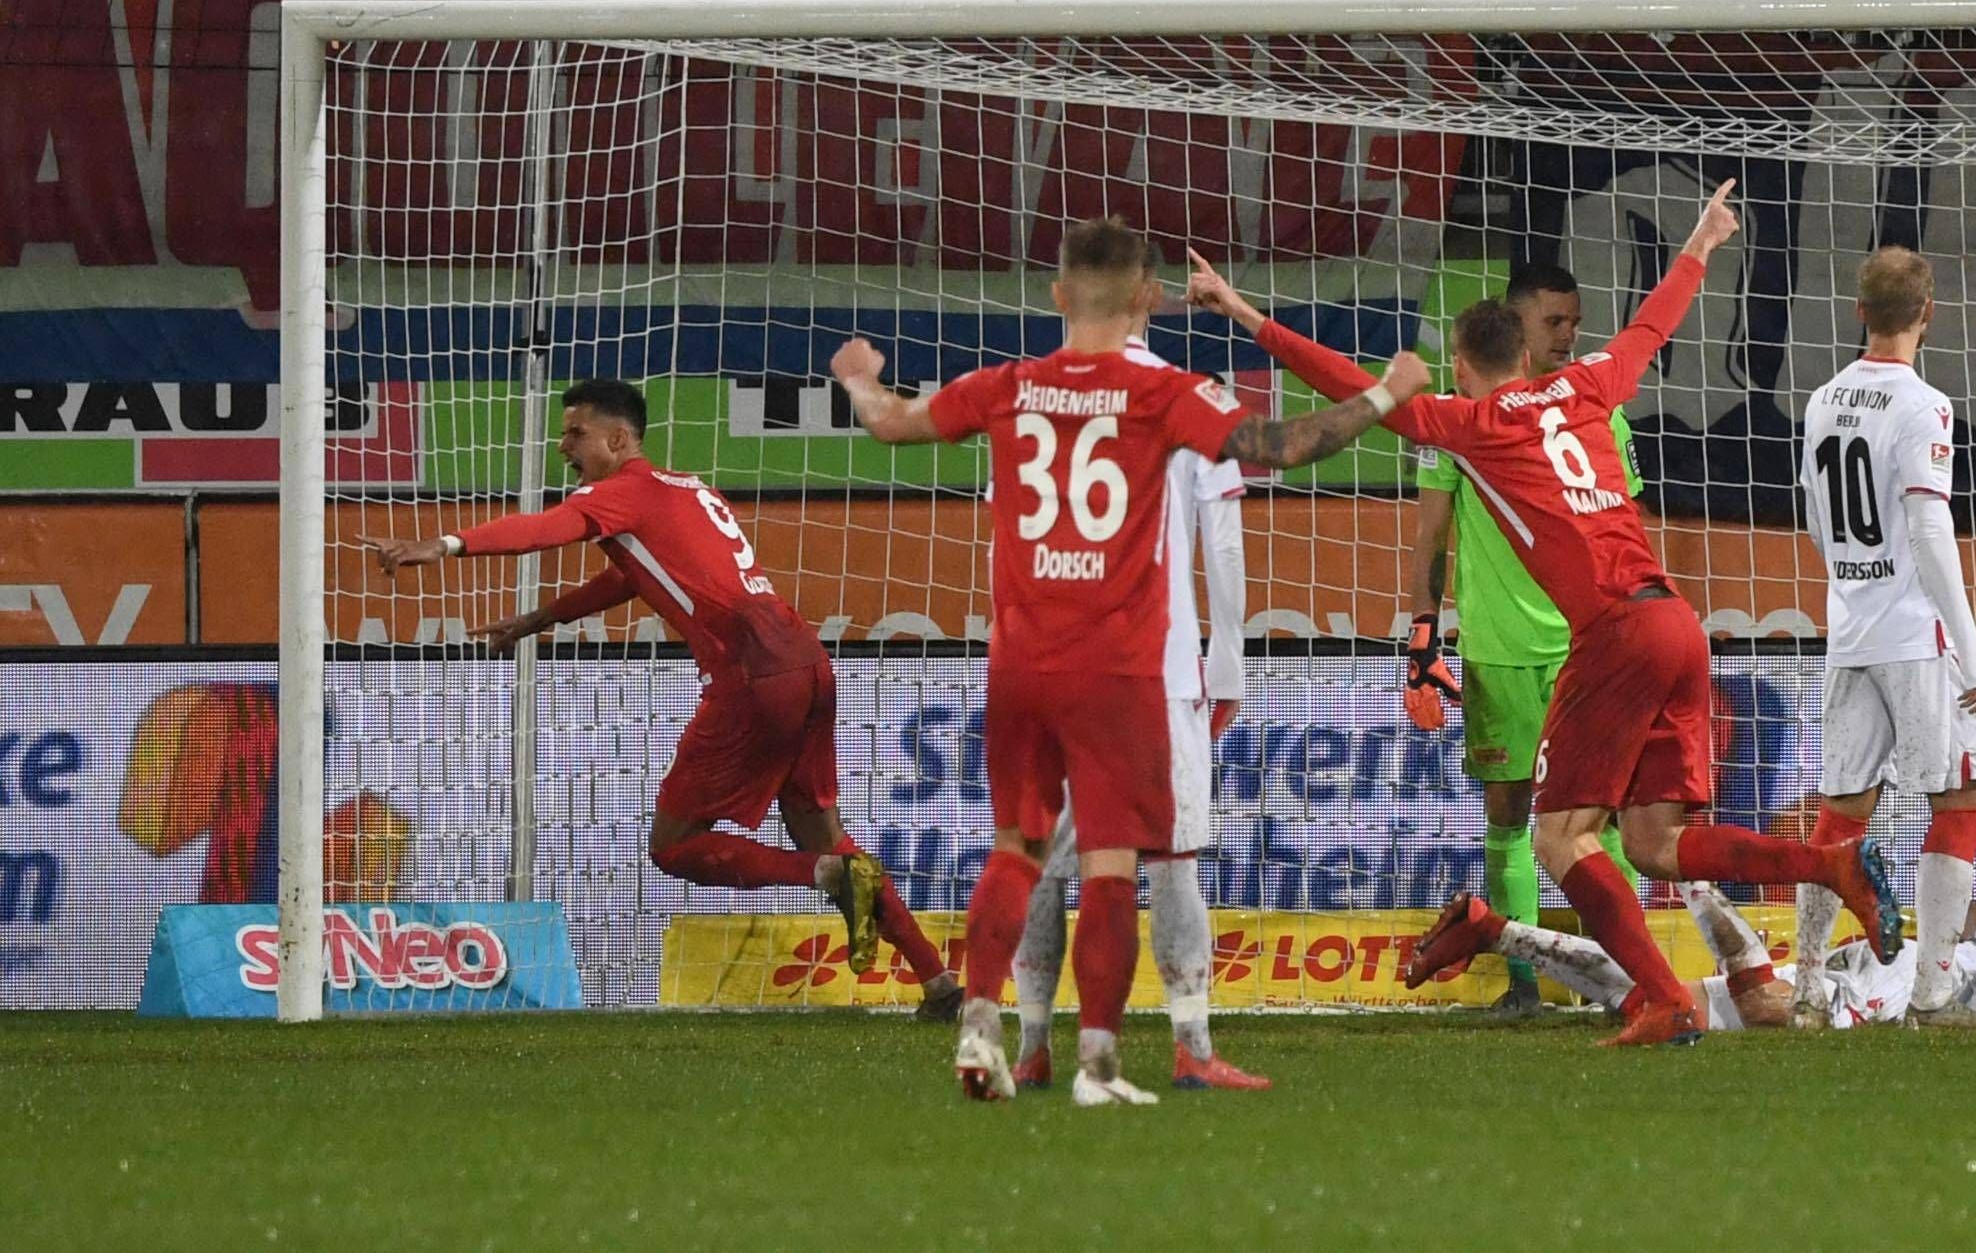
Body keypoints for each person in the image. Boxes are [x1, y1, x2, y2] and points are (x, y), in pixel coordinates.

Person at [1192, 179, 1901, 1048]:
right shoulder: (1588, 385)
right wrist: (1701, 244)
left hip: (1612, 636)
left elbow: (1347, 383)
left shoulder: (1472, 423)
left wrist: (1242, 313)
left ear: (1463, 365)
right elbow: (1649, 328)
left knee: (1560, 838)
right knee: (1654, 843)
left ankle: (1663, 1000)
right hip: (1675, 623)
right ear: (1525, 352)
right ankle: (1829, 864)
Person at [832, 218, 1427, 1103]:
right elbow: (1280, 448)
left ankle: (992, 1027)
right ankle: (1107, 1065)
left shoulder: (1006, 387)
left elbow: (889, 422)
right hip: (1122, 667)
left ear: (1056, 294)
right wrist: (1386, 392)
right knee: (1128, 860)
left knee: (1019, 851)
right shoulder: (1164, 394)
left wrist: (857, 376)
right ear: (1150, 297)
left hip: (1020, 662)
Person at [367, 378, 960, 1017]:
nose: (565, 448)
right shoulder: (685, 488)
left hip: (750, 673)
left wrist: (446, 545)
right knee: (823, 832)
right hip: (806, 663)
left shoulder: (622, 491)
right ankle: (938, 982)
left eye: (576, 434)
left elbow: (547, 527)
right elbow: (629, 577)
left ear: (618, 439)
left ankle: (822, 875)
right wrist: (539, 619)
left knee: (674, 845)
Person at [1007, 353, 1266, 1093]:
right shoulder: (1189, 396)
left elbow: (1006, 541)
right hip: (1159, 670)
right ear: (1146, 300)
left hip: (1052, 667)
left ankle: (1031, 1048)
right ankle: (1192, 1048)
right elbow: (1223, 543)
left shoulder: (1027, 396)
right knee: (1171, 858)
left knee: (1041, 863)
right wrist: (1227, 666)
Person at [1403, 262, 1644, 1019]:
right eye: (1553, 322)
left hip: (1587, 645)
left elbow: (1627, 528)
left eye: (1575, 322)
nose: (1569, 335)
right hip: (1500, 648)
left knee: (1601, 819)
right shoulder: (1458, 425)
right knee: (1508, 815)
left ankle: (1627, 982)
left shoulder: (1599, 409)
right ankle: (1523, 985)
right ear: (1515, 328)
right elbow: (1431, 539)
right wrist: (1421, 638)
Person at [1790, 247, 1976, 1030]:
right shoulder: (1924, 406)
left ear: (1858, 312)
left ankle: (1806, 991)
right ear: (1929, 314)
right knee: (1963, 800)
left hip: (1850, 629)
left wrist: (1853, 585)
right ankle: (1933, 997)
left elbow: (1814, 516)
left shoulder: (1821, 401)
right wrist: (1971, 653)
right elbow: (1928, 529)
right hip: (1916, 633)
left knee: (1841, 811)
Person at [1403, 877, 1976, 1032]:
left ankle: (1490, 930)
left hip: (1917, 963)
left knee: (1672, 1006)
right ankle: (1695, 881)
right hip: (1931, 985)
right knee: (1769, 1007)